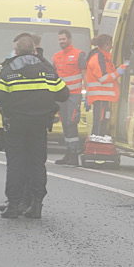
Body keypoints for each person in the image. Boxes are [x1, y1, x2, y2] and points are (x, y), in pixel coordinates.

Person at [0, 32, 68, 219]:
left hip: (15, 125)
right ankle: (36, 205)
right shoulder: (47, 70)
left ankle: (13, 205)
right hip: (39, 125)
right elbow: (63, 94)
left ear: (16, 51)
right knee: (37, 165)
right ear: (34, 50)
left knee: (15, 164)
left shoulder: (9, 71)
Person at [51, 29, 86, 166]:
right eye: (59, 40)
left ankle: (74, 154)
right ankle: (68, 152)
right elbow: (54, 77)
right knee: (65, 123)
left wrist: (86, 93)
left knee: (72, 122)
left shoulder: (79, 55)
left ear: (69, 39)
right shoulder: (56, 57)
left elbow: (85, 75)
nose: (61, 42)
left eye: (63, 39)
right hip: (61, 96)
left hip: (74, 95)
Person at [83, 33, 119, 148]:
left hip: (103, 98)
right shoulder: (98, 58)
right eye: (110, 44)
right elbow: (103, 78)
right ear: (105, 44)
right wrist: (119, 71)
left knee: (103, 121)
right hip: (100, 97)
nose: (112, 47)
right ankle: (96, 147)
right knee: (99, 123)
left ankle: (99, 146)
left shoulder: (102, 57)